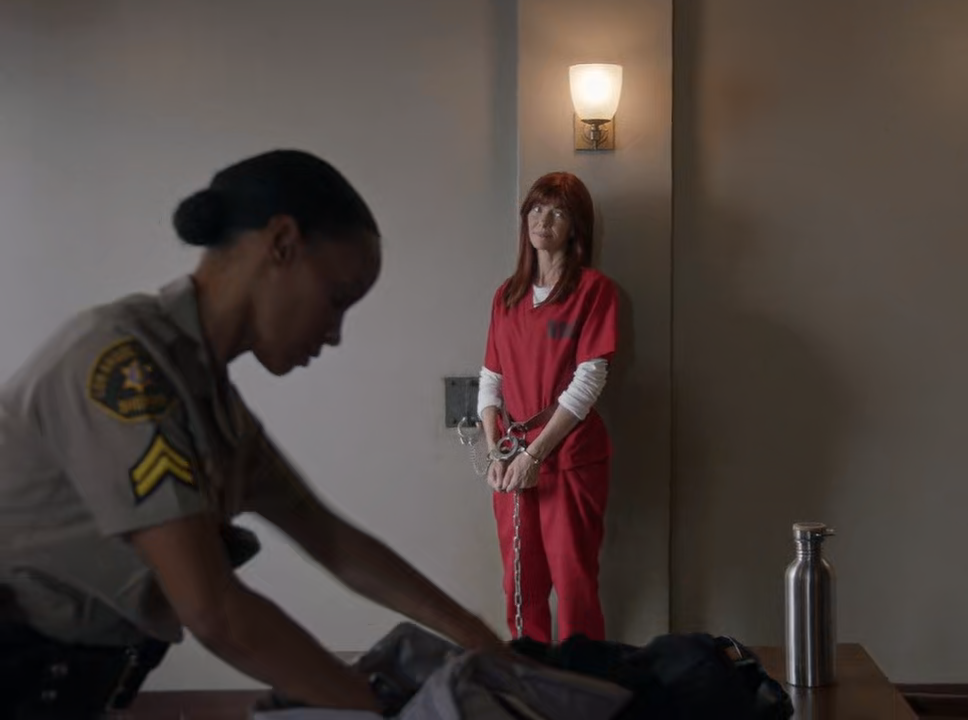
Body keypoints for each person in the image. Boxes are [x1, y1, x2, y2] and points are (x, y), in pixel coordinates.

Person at [0, 149, 503, 718]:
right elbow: (214, 612)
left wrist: (483, 643)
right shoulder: (124, 367)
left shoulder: (208, 399)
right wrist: (373, 707)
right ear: (281, 244)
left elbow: (332, 539)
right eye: (336, 300)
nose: (334, 333)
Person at [476, 171, 619, 644]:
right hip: (512, 458)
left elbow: (589, 378)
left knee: (574, 582)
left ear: (576, 226)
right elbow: (491, 378)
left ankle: (584, 677)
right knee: (520, 582)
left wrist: (536, 454)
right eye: (536, 209)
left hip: (571, 459)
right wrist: (497, 451)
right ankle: (528, 673)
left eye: (558, 212)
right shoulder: (507, 295)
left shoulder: (594, 291)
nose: (544, 220)